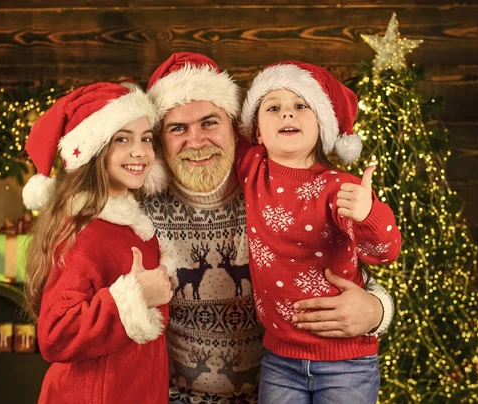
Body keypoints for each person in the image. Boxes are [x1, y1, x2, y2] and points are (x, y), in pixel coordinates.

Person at [144, 52, 397, 403]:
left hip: (292, 375)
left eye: (209, 123)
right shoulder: (141, 211)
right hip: (186, 395)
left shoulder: (277, 182)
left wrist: (377, 311)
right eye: (178, 128)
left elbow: (364, 257)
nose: (197, 140)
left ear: (236, 129)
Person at [237, 61, 401, 403]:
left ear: (322, 124)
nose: (287, 115)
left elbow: (385, 252)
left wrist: (368, 213)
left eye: (301, 106)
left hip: (347, 360)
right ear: (257, 131)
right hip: (280, 359)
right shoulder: (251, 168)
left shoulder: (339, 187)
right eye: (273, 108)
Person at [21, 82, 173, 404]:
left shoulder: (129, 227)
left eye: (146, 139)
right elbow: (55, 335)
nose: (140, 151)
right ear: (93, 149)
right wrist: (133, 297)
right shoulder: (83, 232)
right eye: (122, 139)